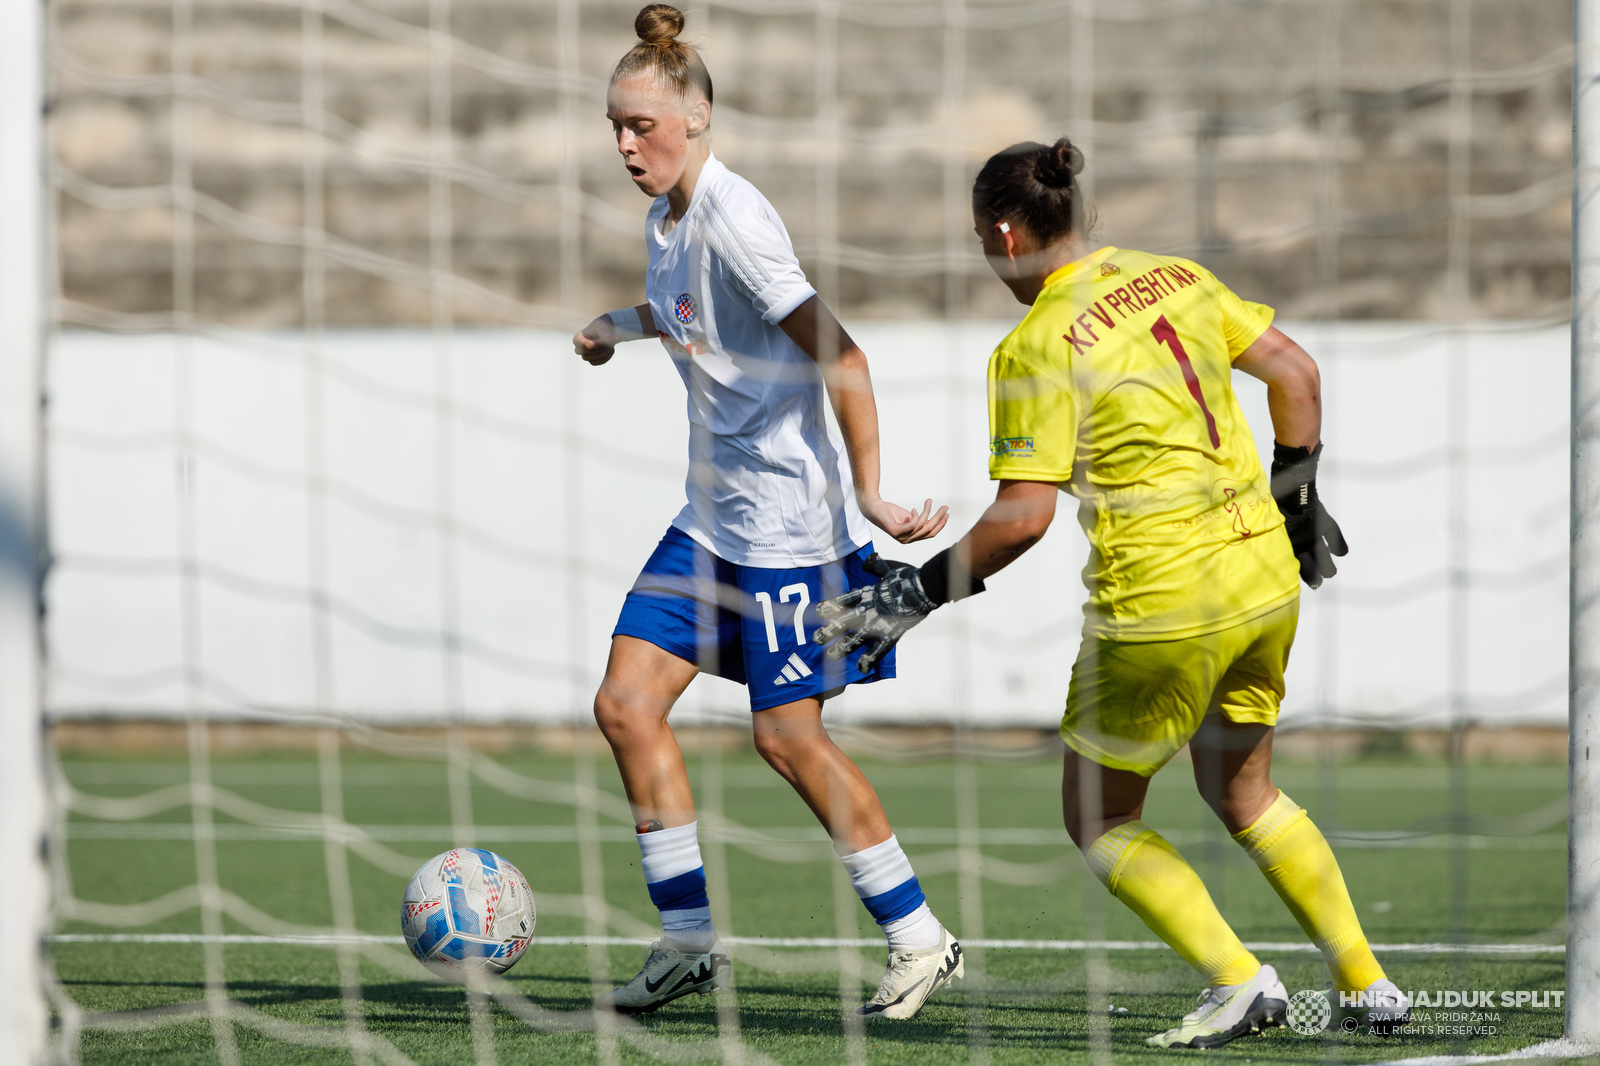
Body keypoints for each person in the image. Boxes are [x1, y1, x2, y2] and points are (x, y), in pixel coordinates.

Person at [813, 136, 1412, 1048]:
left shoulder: (1033, 345)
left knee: (1098, 813)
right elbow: (1296, 374)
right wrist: (1298, 502)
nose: (986, 257)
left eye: (980, 240)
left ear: (1008, 235)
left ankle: (1238, 979)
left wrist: (912, 597)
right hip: (1261, 577)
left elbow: (1021, 521)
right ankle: (1369, 986)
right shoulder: (1176, 275)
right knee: (1246, 793)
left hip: (1163, 600)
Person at [572, 4, 963, 1019]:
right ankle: (687, 940)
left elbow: (842, 351)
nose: (624, 144)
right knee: (624, 704)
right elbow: (686, 310)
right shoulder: (664, 218)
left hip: (788, 532)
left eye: (641, 126)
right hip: (709, 524)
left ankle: (920, 938)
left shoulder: (738, 216)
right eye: (614, 125)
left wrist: (871, 492)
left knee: (787, 739)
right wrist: (620, 325)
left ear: (697, 117)